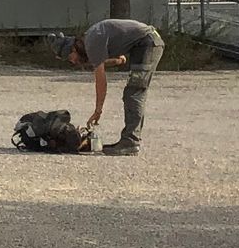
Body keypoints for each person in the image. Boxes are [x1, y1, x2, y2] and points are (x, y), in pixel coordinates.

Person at [67, 18, 166, 155]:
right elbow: (119, 60)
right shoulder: (90, 39)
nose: (72, 62)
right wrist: (112, 61)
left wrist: (98, 111)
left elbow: (101, 82)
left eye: (70, 57)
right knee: (133, 93)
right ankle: (129, 140)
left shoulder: (91, 41)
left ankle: (130, 142)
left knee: (134, 93)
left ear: (74, 47)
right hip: (143, 43)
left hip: (147, 43)